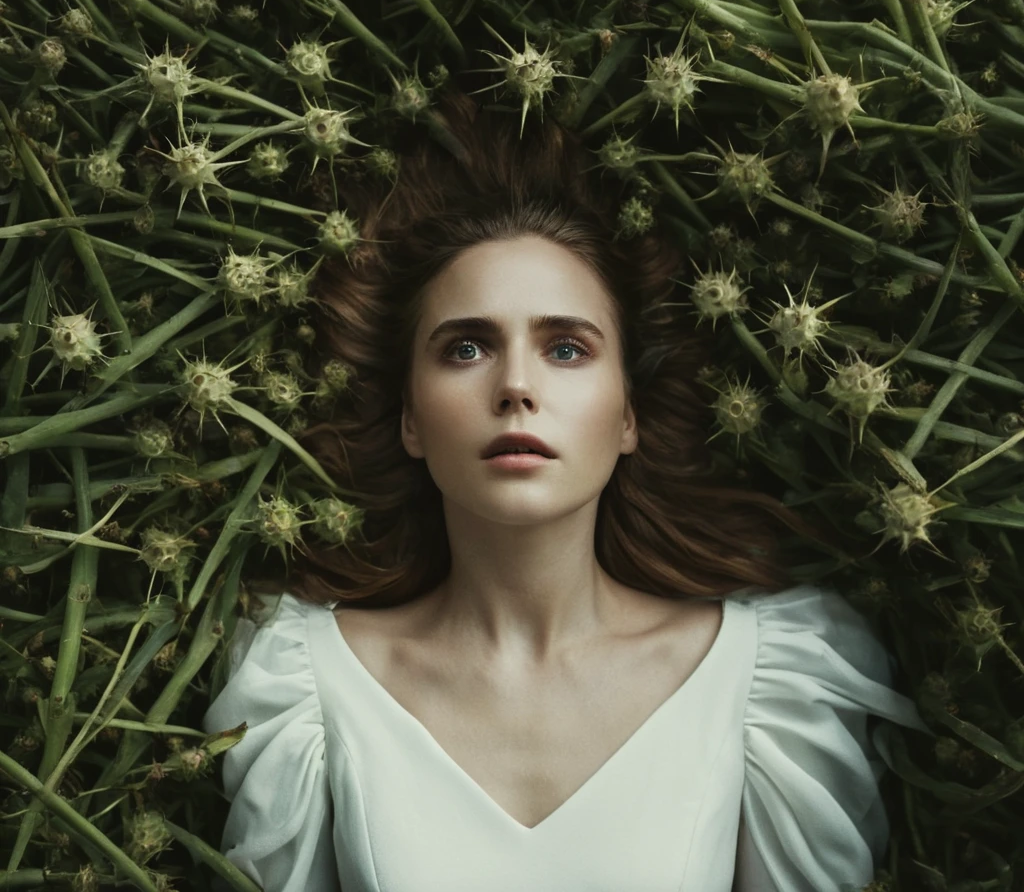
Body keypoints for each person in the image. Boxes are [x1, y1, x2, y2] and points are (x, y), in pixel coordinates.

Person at [201, 81, 933, 891]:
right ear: (410, 420)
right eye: (467, 348)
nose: (516, 386)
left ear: (627, 417)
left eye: (567, 349)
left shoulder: (766, 685)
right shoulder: (305, 686)